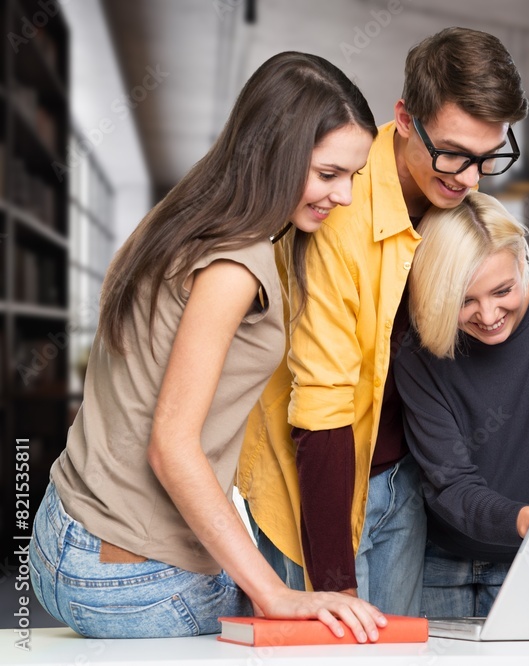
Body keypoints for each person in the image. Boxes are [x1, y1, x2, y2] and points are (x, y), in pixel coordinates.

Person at [28, 53, 385, 640]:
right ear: (274, 153)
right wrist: (274, 595)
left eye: (354, 176)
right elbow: (170, 446)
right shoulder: (237, 264)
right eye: (327, 174)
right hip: (128, 573)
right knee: (316, 632)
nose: (343, 195)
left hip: (61, 534)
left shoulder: (181, 217)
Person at [238, 27, 528, 616]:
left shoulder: (459, 202)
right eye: (452, 152)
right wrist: (333, 585)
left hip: (402, 477)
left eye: (487, 157)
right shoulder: (338, 214)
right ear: (403, 116)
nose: (469, 178)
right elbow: (321, 406)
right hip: (316, 482)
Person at [393, 192, 529, 617]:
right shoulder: (413, 343)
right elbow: (449, 482)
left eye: (503, 290)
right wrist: (527, 520)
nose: (488, 315)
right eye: (464, 301)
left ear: (523, 261)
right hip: (438, 560)